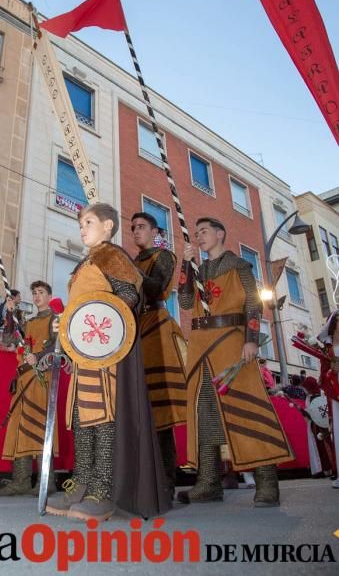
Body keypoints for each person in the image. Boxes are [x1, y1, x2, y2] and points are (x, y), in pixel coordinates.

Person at [46, 203, 170, 522]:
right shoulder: (84, 264)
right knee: (82, 418)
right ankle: (82, 484)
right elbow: (81, 308)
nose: (82, 228)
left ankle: (103, 489)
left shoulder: (112, 256)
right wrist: (66, 325)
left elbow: (129, 296)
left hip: (107, 354)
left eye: (88, 222)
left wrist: (96, 322)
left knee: (103, 418)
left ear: (108, 227)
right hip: (85, 355)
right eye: (81, 223)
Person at [177, 217, 293, 507]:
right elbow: (185, 303)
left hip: (231, 342)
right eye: (196, 232)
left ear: (220, 233)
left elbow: (253, 303)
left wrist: (251, 338)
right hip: (201, 345)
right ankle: (208, 483)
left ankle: (267, 483)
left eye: (204, 231)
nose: (199, 236)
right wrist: (185, 266)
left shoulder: (240, 266)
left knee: (246, 408)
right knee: (205, 413)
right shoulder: (198, 269)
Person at [130, 211, 187, 496]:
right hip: (134, 331)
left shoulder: (164, 256)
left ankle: (165, 483)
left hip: (157, 329)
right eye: (133, 228)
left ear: (155, 232)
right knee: (139, 411)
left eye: (141, 226)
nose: (136, 231)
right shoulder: (130, 262)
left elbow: (158, 289)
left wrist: (130, 272)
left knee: (160, 412)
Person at [0, 281, 57, 497]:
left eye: (41, 292)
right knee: (20, 429)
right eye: (34, 292)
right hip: (23, 379)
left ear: (49, 296)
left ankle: (46, 482)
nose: (37, 296)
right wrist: (10, 315)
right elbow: (9, 339)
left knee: (40, 428)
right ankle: (20, 481)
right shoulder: (28, 322)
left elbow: (60, 347)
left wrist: (38, 356)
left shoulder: (55, 319)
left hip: (41, 379)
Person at [317, 310, 339, 489]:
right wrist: (332, 371)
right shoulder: (328, 350)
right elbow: (323, 375)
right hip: (336, 397)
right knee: (337, 433)